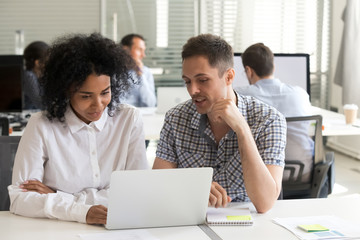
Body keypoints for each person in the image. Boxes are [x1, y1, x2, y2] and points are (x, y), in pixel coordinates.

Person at [8, 33, 149, 225]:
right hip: (54, 231)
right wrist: (81, 212)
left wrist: (60, 196)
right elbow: (19, 200)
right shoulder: (41, 125)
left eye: (105, 93)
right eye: (85, 96)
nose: (98, 105)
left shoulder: (129, 120)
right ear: (66, 90)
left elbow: (138, 191)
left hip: (117, 228)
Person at [153, 34, 286, 213]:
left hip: (248, 224)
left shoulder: (269, 120)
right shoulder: (176, 118)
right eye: (187, 81)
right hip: (191, 219)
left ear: (229, 76)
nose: (193, 90)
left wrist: (242, 129)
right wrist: (191, 187)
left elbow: (265, 203)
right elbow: (157, 185)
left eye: (202, 80)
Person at [235, 43, 313, 183]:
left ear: (248, 71)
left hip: (264, 179)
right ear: (273, 67)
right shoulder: (301, 94)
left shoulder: (241, 96)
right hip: (304, 173)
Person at [120, 33, 156, 107]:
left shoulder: (146, 72)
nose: (143, 55)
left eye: (143, 50)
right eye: (139, 49)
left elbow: (151, 104)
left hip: (140, 115)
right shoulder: (112, 72)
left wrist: (140, 74)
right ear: (125, 50)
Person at [23, 41, 49, 110]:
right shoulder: (29, 76)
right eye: (47, 60)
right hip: (30, 114)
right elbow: (40, 103)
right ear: (37, 62)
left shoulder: (40, 75)